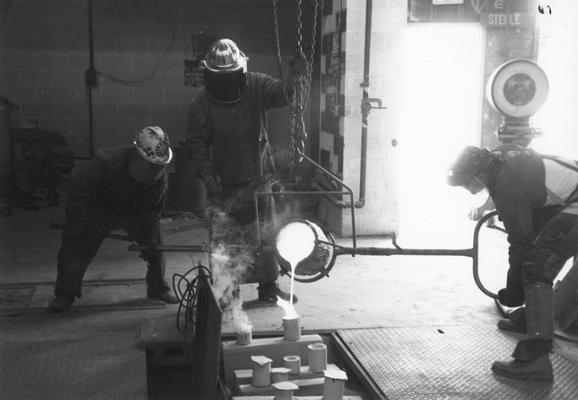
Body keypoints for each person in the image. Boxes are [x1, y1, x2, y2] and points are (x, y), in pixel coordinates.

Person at [183, 38, 306, 304]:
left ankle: (268, 286)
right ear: (210, 77)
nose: (226, 83)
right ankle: (227, 291)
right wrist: (207, 175)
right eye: (220, 78)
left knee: (266, 234)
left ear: (242, 70)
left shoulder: (257, 85)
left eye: (230, 77)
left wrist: (292, 76)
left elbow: (282, 95)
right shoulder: (201, 103)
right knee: (225, 240)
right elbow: (196, 143)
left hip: (259, 178)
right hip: (223, 181)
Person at [447, 144, 578, 382]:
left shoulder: (507, 182)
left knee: (537, 267)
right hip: (572, 200)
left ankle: (535, 359)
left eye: (469, 183)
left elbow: (520, 242)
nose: (469, 188)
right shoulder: (506, 163)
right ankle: (534, 318)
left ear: (480, 174)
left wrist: (514, 292)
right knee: (542, 253)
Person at [48, 126, 179, 312]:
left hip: (132, 211)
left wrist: (149, 237)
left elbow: (151, 211)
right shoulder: (105, 161)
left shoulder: (158, 179)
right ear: (136, 155)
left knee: (155, 246)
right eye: (150, 166)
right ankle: (64, 294)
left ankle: (158, 288)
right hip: (98, 207)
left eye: (157, 168)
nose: (153, 172)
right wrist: (78, 221)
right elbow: (79, 194)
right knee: (75, 246)